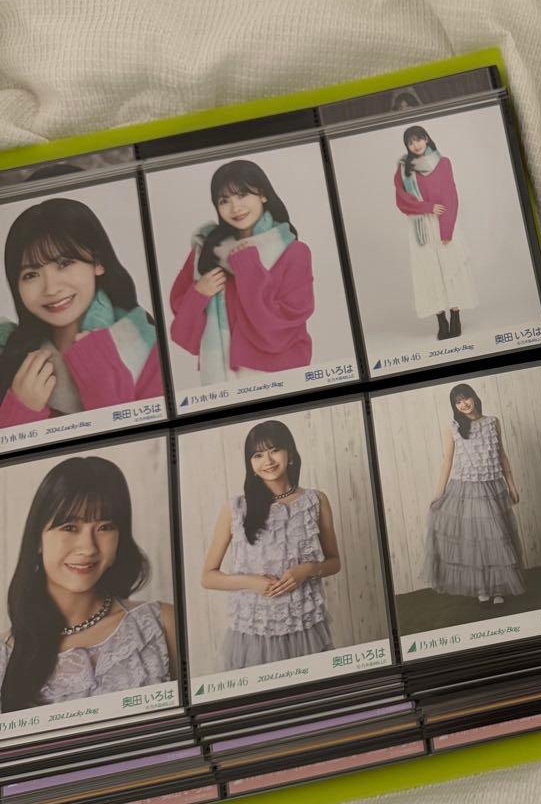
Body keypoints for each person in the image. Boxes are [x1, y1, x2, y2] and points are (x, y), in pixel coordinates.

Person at [0, 455, 177, 713]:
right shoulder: (6, 655)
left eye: (105, 527)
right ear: (37, 540)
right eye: (70, 527)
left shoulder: (163, 624)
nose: (88, 548)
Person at [0, 198, 162, 428]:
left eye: (64, 263)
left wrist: (102, 383)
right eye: (31, 275)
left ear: (98, 262)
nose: (51, 288)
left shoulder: (146, 347)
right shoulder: (9, 357)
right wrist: (20, 410)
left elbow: (147, 444)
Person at [200, 419, 340, 670]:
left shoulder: (316, 500)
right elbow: (208, 577)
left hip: (304, 626)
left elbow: (334, 562)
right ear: (250, 464)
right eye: (258, 455)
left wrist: (306, 570)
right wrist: (251, 582)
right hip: (254, 631)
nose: (268, 460)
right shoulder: (235, 508)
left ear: (290, 454)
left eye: (275, 450)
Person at [169, 159, 314, 385]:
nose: (235, 208)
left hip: (280, 375)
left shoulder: (294, 252)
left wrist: (248, 267)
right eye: (224, 200)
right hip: (222, 379)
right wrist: (199, 294)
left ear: (263, 194)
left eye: (242, 195)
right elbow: (182, 335)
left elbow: (279, 330)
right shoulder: (207, 251)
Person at [424, 383, 524, 604]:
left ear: (474, 397)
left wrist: (512, 485)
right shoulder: (453, 428)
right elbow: (447, 462)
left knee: (496, 538)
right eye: (457, 402)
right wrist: (438, 494)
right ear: (454, 406)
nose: (463, 404)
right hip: (467, 489)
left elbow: (502, 455)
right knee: (476, 540)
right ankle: (482, 588)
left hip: (492, 487)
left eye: (465, 398)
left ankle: (497, 589)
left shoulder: (492, 422)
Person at [393, 126, 477, 341]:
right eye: (411, 142)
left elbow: (451, 196)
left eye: (419, 139)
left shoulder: (443, 163)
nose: (416, 145)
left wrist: (447, 229)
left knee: (450, 266)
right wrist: (427, 207)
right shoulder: (404, 169)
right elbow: (402, 201)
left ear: (427, 138)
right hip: (420, 225)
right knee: (428, 271)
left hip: (444, 221)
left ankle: (455, 316)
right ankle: (441, 320)